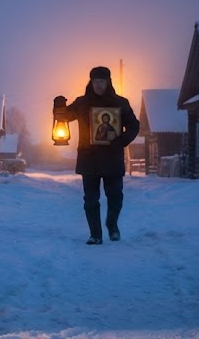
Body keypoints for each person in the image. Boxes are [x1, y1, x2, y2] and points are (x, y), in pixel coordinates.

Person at [54, 66, 140, 245]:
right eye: (95, 82)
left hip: (112, 158)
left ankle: (112, 224)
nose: (98, 85)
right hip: (89, 159)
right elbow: (64, 117)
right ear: (90, 82)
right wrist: (59, 106)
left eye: (101, 81)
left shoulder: (120, 103)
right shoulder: (82, 103)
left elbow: (134, 126)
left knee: (115, 195)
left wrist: (121, 140)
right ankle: (95, 234)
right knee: (91, 199)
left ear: (108, 82)